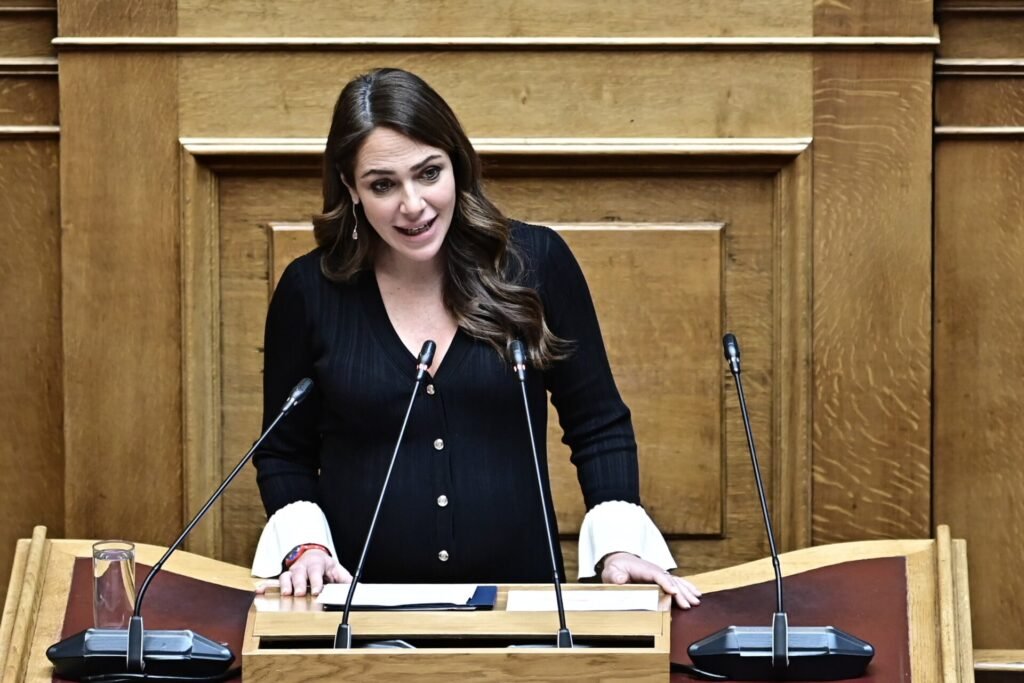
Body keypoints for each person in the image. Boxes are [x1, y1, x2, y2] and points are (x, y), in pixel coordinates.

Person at [250, 68, 700, 610]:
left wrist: (618, 546)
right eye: (383, 185)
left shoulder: (535, 264)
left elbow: (597, 422)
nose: (413, 205)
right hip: (359, 611)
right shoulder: (310, 291)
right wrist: (306, 547)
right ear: (351, 188)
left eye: (428, 173)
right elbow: (283, 451)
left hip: (525, 610)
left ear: (457, 165)